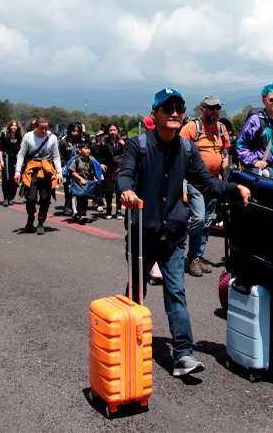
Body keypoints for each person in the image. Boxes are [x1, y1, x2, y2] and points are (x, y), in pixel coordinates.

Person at [117, 87, 251, 377]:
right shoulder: (137, 146)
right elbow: (125, 173)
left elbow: (207, 183)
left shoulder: (188, 150)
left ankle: (183, 355)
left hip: (174, 234)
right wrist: (126, 190)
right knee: (136, 294)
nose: (176, 113)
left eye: (180, 108)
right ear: (155, 114)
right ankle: (127, 343)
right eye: (168, 108)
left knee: (176, 291)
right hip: (143, 232)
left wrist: (233, 188)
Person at [180, 94, 230, 277]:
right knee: (199, 218)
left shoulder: (221, 128)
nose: (215, 111)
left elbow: (224, 152)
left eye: (217, 107)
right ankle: (192, 258)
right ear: (202, 108)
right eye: (211, 107)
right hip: (196, 182)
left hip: (214, 182)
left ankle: (198, 257)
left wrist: (225, 166)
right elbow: (179, 148)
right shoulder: (192, 127)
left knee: (208, 220)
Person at [14, 117, 63, 235]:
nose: (44, 131)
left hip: (46, 169)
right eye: (41, 128)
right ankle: (31, 216)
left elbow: (56, 156)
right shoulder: (28, 137)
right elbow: (21, 154)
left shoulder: (51, 138)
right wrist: (17, 172)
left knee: (45, 199)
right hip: (32, 169)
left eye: (46, 128)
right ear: (36, 126)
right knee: (31, 197)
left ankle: (41, 223)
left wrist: (59, 173)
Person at [66, 141, 101, 223]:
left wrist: (94, 178)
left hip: (87, 182)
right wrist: (80, 179)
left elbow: (91, 171)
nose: (88, 150)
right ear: (80, 150)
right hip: (78, 182)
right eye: (85, 148)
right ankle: (80, 215)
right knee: (80, 198)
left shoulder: (90, 160)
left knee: (85, 199)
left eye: (88, 148)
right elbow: (72, 171)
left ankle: (83, 215)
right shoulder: (77, 160)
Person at [101, 123, 124, 219]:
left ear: (118, 131)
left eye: (114, 130)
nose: (113, 132)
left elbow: (128, 154)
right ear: (108, 131)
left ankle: (119, 210)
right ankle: (109, 209)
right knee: (109, 190)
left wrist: (125, 145)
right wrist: (101, 164)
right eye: (111, 130)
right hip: (108, 169)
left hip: (119, 169)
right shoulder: (104, 143)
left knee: (119, 190)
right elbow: (100, 155)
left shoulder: (122, 142)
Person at [59, 123, 82, 215]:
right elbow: (60, 155)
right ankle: (67, 207)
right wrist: (64, 164)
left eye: (77, 131)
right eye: (73, 131)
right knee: (68, 189)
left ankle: (76, 208)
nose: (75, 133)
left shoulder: (81, 142)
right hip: (68, 169)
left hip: (79, 169)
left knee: (79, 189)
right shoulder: (63, 142)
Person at [0, 120, 23, 206]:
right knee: (6, 179)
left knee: (15, 179)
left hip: (15, 159)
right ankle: (6, 197)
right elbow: (1, 149)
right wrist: (1, 160)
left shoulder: (19, 136)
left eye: (16, 125)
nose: (14, 127)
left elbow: (21, 149)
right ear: (9, 127)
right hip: (6, 158)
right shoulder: (4, 136)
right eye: (13, 125)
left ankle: (11, 197)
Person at [91, 130, 106, 212]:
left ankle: (99, 200)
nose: (100, 137)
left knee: (103, 186)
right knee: (97, 185)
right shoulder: (93, 146)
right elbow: (92, 158)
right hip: (96, 168)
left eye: (102, 136)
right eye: (99, 136)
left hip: (105, 169)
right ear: (96, 137)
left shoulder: (106, 145)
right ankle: (98, 202)